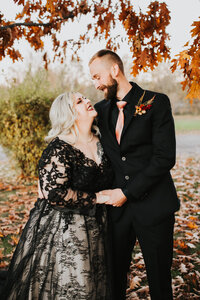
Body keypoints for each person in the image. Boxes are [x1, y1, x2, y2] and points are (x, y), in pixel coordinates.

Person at [1, 92, 113, 300]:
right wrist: (99, 198)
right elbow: (55, 194)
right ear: (68, 114)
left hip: (99, 226)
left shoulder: (103, 141)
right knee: (77, 287)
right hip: (67, 228)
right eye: (79, 101)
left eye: (85, 97)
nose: (88, 101)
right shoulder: (59, 148)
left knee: (98, 285)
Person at [89, 49, 180, 300]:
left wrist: (127, 193)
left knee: (160, 280)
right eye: (93, 79)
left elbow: (164, 158)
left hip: (154, 206)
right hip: (117, 212)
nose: (96, 84)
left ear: (114, 70)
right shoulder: (100, 110)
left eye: (97, 77)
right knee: (113, 277)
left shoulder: (156, 102)